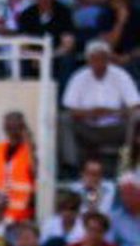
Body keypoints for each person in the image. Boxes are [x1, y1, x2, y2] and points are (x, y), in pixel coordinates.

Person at [59, 39, 138, 173]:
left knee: (137, 118)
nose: (98, 63)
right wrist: (91, 113)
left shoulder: (121, 76)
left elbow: (135, 106)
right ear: (88, 60)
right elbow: (70, 109)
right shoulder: (79, 77)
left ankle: (129, 166)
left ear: (108, 59)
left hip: (115, 127)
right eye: (94, 59)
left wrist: (112, 112)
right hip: (87, 126)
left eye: (102, 59)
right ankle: (71, 166)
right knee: (63, 119)